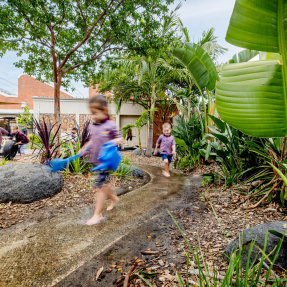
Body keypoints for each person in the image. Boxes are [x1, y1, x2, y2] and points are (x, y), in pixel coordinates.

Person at [80, 95, 122, 226]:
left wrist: (112, 142)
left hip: (107, 161)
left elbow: (119, 139)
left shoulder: (110, 124)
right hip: (97, 161)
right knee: (102, 185)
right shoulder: (94, 126)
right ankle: (114, 198)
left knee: (99, 187)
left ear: (104, 110)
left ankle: (97, 214)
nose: (93, 116)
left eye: (95, 113)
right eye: (91, 113)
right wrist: (86, 147)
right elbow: (93, 140)